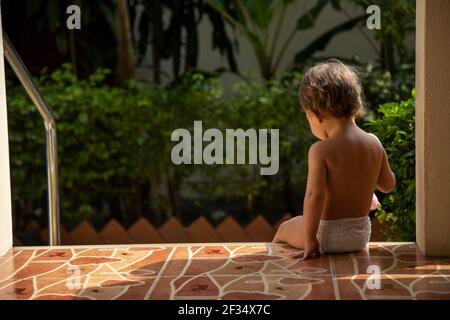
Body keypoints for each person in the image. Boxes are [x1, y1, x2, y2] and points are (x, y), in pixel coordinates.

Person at [272, 59, 395, 260]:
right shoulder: (374, 143)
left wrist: (310, 238)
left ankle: (276, 266)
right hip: (360, 236)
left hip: (326, 236)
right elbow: (387, 185)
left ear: (316, 114)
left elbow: (315, 196)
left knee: (284, 229)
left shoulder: (320, 150)